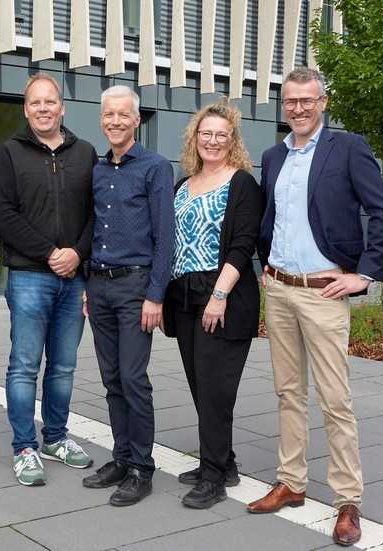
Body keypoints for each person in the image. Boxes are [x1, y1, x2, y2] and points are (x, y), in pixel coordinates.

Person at [247, 67, 383, 546]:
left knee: (335, 399)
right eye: (290, 101)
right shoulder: (273, 156)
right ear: (283, 105)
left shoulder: (347, 149)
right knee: (288, 391)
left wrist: (364, 274)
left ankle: (347, 501)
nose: (298, 109)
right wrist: (264, 270)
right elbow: (270, 219)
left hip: (324, 292)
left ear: (323, 102)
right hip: (279, 289)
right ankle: (291, 482)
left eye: (307, 101)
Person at [0, 72, 97, 486]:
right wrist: (50, 253)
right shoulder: (10, 154)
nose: (43, 108)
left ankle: (55, 438)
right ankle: (24, 447)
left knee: (64, 366)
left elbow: (95, 214)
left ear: (62, 107)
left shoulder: (85, 153)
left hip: (74, 279)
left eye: (50, 101)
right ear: (26, 109)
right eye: (35, 102)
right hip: (30, 277)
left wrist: (77, 253)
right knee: (24, 365)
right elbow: (3, 215)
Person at [161, 99, 263, 509]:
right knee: (201, 386)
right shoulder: (181, 185)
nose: (214, 141)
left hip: (223, 296)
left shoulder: (242, 184)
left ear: (232, 139)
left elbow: (242, 245)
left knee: (217, 390)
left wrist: (219, 295)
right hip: (184, 297)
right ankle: (225, 463)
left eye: (222, 134)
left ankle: (213, 476)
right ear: (195, 138)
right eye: (207, 134)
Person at [81, 85, 175, 507]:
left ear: (137, 120)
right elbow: (92, 226)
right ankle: (120, 457)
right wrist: (87, 284)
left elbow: (165, 236)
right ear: (101, 120)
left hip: (137, 288)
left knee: (134, 378)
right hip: (99, 285)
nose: (115, 121)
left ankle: (141, 467)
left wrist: (156, 294)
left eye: (123, 114)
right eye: (108, 115)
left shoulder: (155, 167)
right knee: (111, 379)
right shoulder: (98, 170)